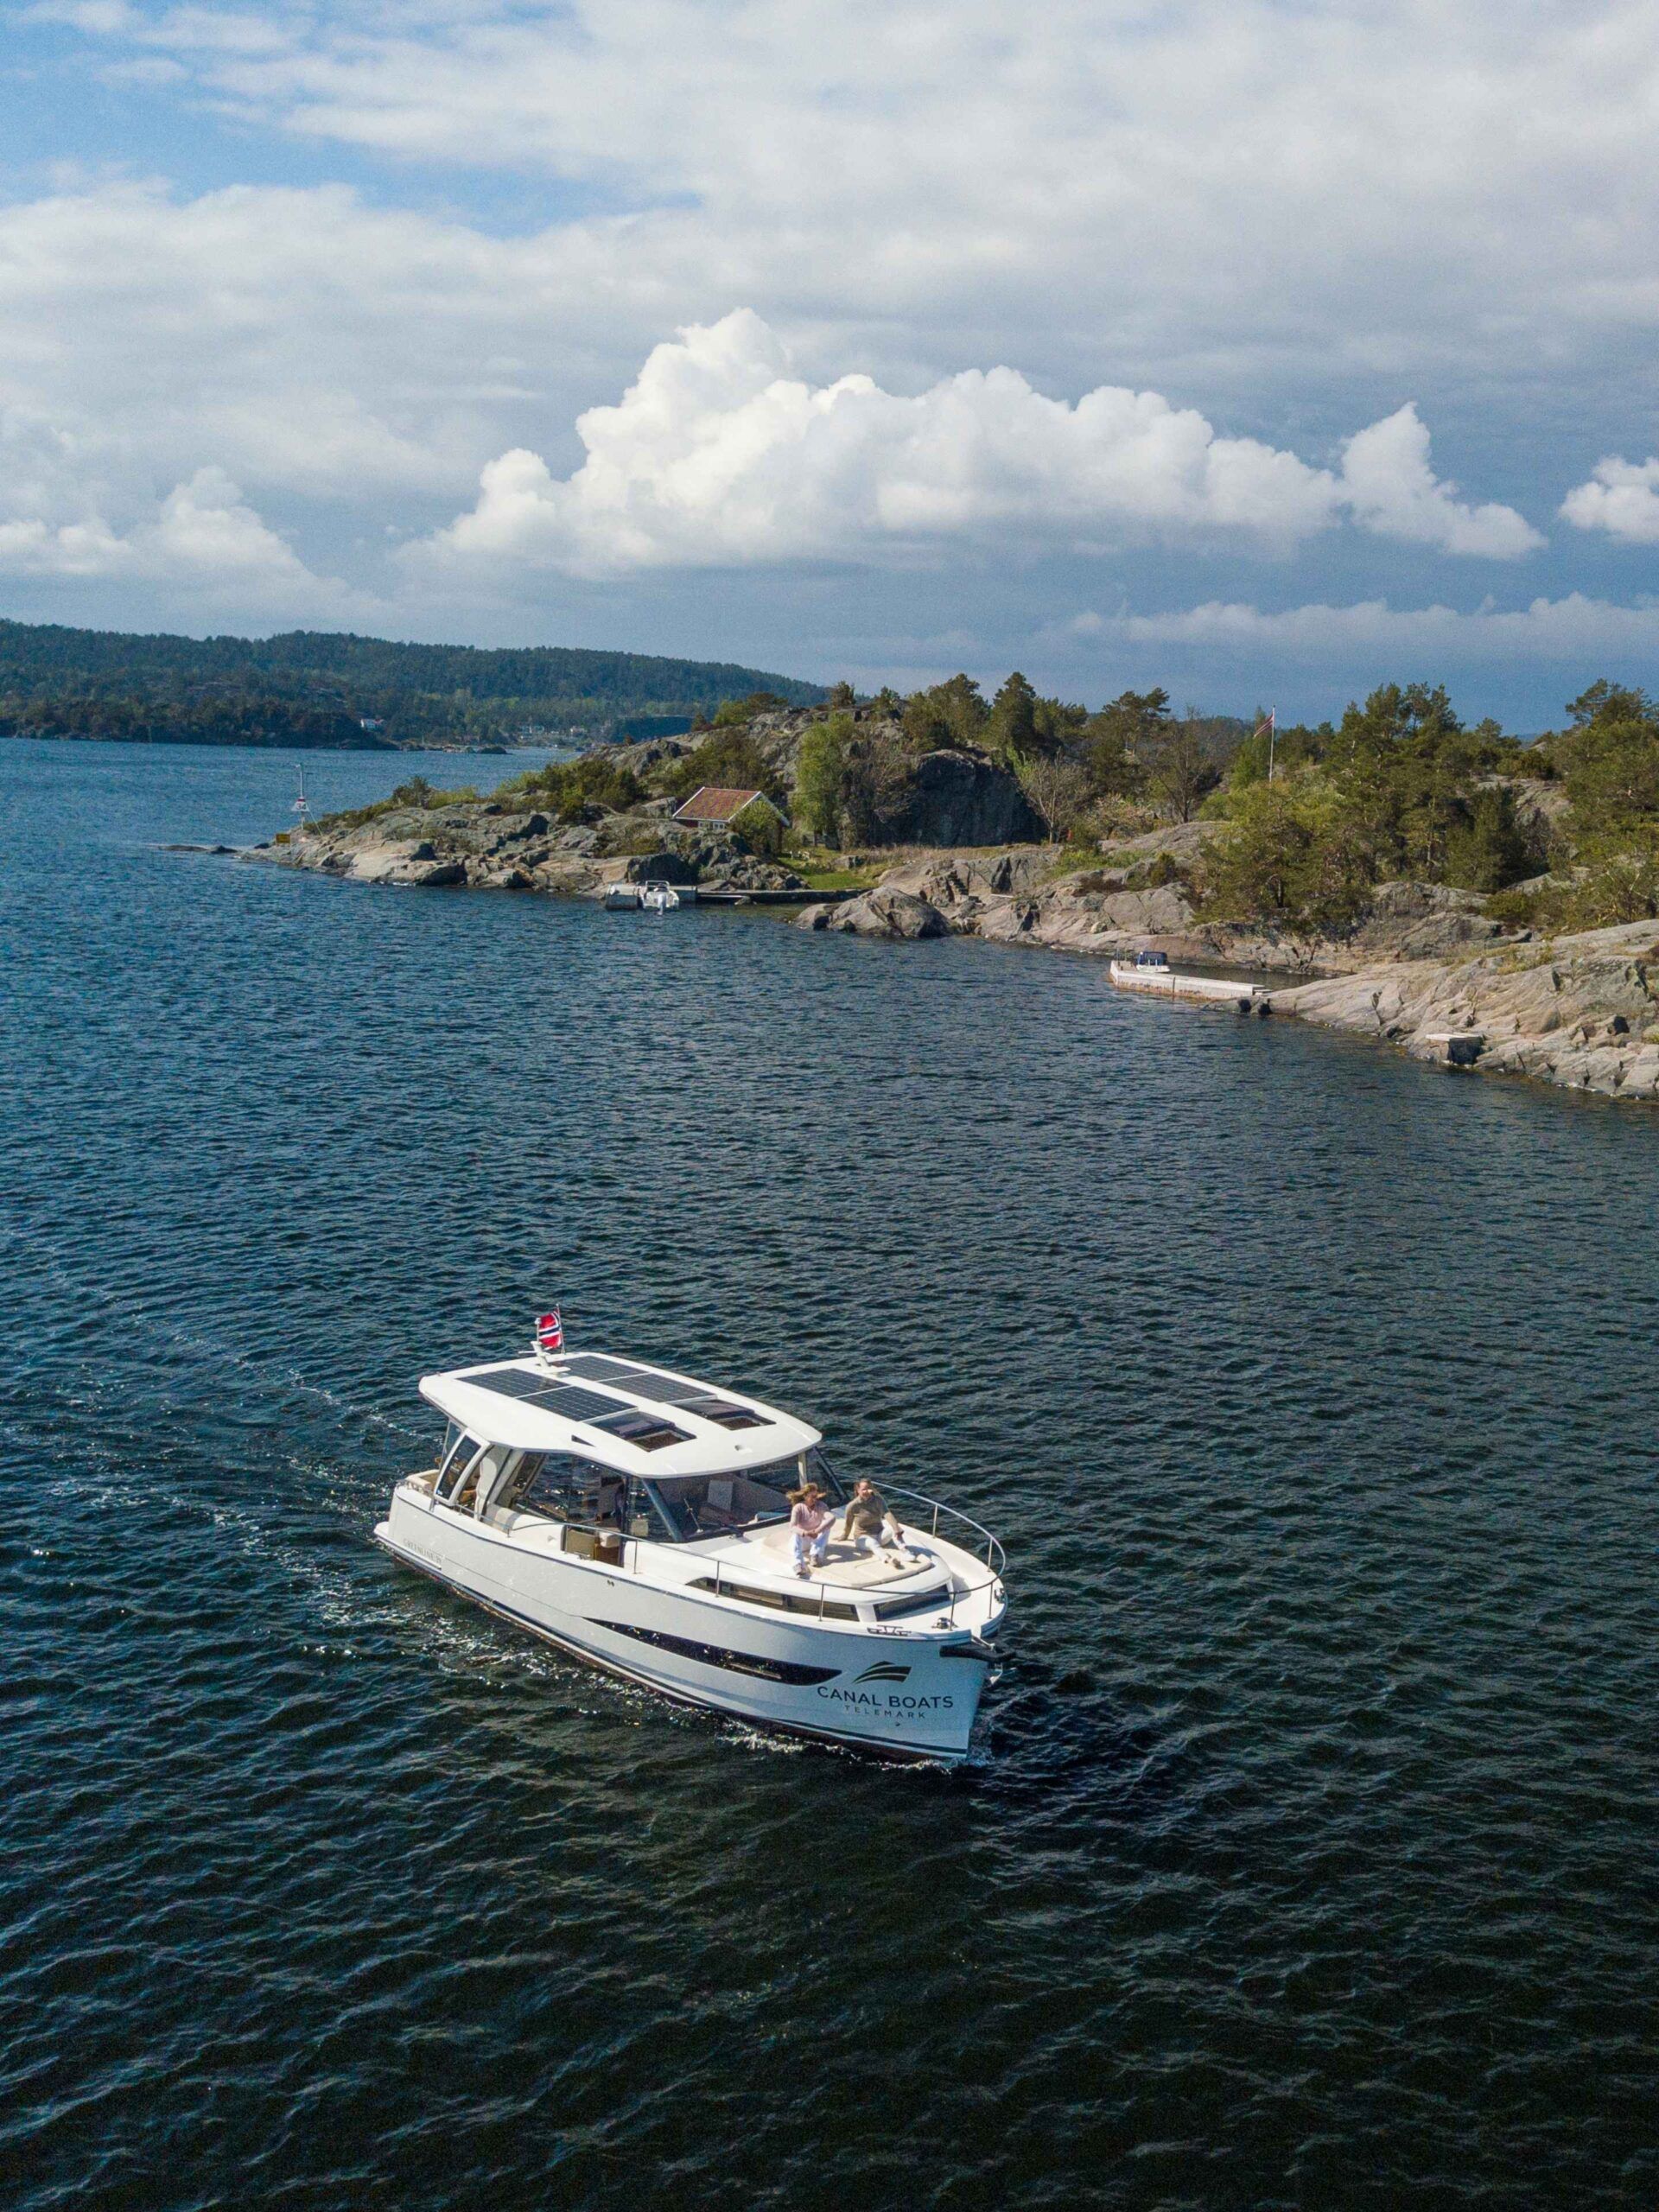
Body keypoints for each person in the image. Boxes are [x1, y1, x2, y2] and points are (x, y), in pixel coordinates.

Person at [839, 1478, 909, 1556]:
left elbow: (887, 1513)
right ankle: (887, 1559)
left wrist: (897, 1529)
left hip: (879, 1535)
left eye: (869, 1488)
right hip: (863, 1538)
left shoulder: (878, 1500)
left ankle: (905, 1551)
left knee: (894, 1528)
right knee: (872, 1543)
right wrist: (845, 1536)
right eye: (864, 1489)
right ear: (858, 1490)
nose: (867, 1491)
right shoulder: (852, 1506)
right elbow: (848, 1524)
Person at [789, 1484, 834, 1579]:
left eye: (816, 1496)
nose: (815, 1499)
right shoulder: (798, 1507)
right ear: (805, 1496)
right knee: (797, 1532)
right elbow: (792, 1526)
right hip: (802, 1542)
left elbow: (831, 1518)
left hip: (815, 1540)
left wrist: (817, 1531)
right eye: (812, 1497)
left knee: (827, 1526)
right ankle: (798, 1564)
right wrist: (805, 1533)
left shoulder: (821, 1506)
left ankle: (815, 1555)